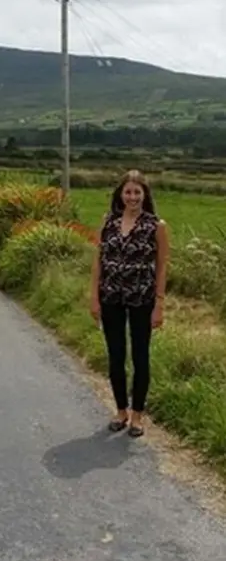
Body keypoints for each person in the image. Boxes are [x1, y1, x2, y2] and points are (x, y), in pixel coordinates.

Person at [89, 169, 169, 438]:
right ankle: (121, 411)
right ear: (120, 194)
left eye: (137, 192)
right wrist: (94, 297)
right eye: (128, 192)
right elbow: (98, 262)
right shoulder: (108, 222)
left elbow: (162, 267)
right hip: (110, 296)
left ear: (145, 195)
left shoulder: (156, 226)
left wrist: (159, 304)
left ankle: (137, 415)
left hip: (142, 299)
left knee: (140, 357)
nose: (132, 197)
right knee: (115, 356)